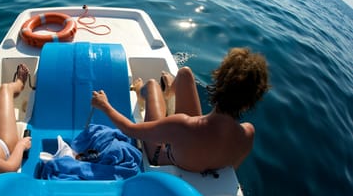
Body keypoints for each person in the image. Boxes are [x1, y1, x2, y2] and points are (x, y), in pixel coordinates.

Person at [91, 47, 270, 172]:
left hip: (162, 155)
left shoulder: (182, 125)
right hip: (195, 147)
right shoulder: (248, 134)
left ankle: (141, 92)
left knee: (152, 85)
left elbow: (130, 130)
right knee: (184, 73)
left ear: (219, 80)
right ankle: (169, 91)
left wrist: (104, 105)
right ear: (253, 99)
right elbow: (229, 168)